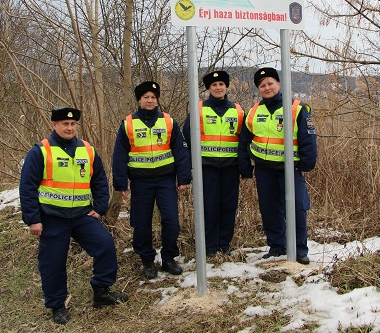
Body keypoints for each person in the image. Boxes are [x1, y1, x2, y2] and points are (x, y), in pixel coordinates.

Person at [20, 107, 128, 325]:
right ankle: (57, 305)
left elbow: (99, 179)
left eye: (72, 124)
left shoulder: (87, 150)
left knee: (105, 245)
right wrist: (33, 219)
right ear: (54, 125)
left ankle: (102, 292)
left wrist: (100, 207)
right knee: (53, 263)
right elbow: (27, 187)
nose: (69, 128)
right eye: (64, 124)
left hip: (82, 216)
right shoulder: (41, 151)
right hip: (52, 218)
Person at [112, 81, 192, 279]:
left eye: (153, 97)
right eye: (146, 97)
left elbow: (181, 152)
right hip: (140, 182)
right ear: (139, 100)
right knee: (141, 222)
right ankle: (147, 260)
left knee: (171, 220)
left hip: (165, 180)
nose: (150, 100)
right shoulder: (128, 123)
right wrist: (120, 183)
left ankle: (168, 258)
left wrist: (183, 178)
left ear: (157, 100)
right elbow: (119, 155)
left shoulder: (168, 122)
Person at [238, 67, 318, 265]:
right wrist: (246, 167)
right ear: (259, 89)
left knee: (297, 208)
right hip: (264, 169)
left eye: (270, 84)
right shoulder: (254, 111)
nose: (267, 88)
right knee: (270, 210)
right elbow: (245, 140)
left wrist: (305, 164)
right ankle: (276, 247)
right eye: (262, 85)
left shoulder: (297, 108)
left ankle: (299, 249)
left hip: (290, 169)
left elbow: (308, 139)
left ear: (279, 84)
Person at [183, 70, 244, 256]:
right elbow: (187, 134)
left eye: (221, 85)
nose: (218, 88)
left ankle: (224, 245)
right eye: (214, 85)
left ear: (226, 87)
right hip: (206, 168)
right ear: (209, 88)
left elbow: (245, 138)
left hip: (230, 168)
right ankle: (209, 246)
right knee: (208, 206)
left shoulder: (238, 110)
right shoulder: (199, 109)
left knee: (228, 206)